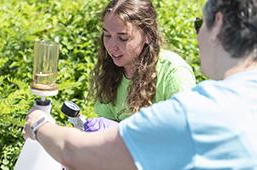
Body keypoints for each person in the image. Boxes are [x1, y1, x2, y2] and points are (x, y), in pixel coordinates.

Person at [24, 0, 257, 169]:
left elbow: (81, 154)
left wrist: (39, 125)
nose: (198, 36)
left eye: (199, 23)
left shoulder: (198, 112)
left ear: (217, 24)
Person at [83, 0, 196, 132]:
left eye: (123, 38)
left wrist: (124, 130)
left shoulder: (173, 73)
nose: (112, 46)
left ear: (148, 35)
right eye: (107, 35)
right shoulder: (112, 72)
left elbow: (185, 132)